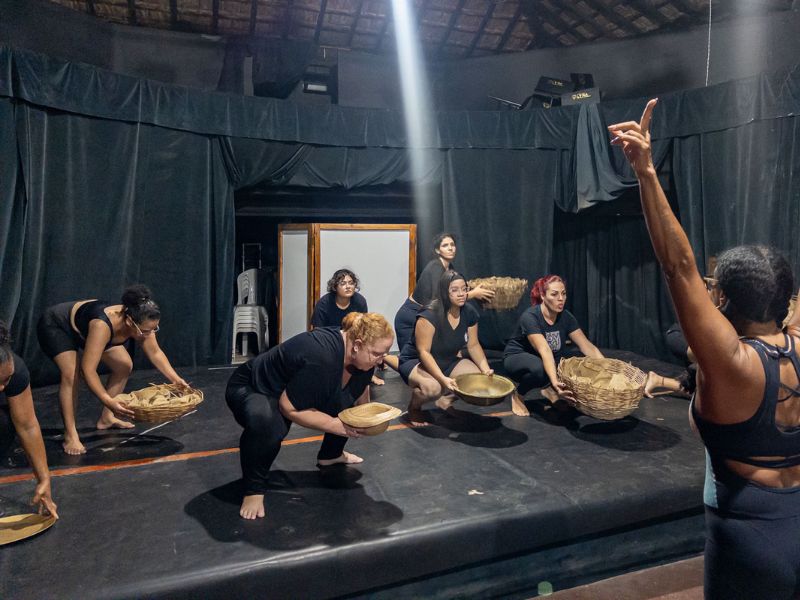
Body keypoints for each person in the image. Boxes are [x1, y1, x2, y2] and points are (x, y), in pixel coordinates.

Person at [611, 99, 800, 599]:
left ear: (722, 301)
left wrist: (646, 171)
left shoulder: (734, 365)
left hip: (748, 540)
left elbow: (679, 267)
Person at [225, 311, 393, 519]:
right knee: (269, 423)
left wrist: (365, 417)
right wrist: (334, 424)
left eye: (385, 353)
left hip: (293, 386)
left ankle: (330, 456)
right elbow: (289, 408)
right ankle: (253, 489)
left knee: (346, 407)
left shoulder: (362, 358)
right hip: (254, 387)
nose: (381, 360)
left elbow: (358, 393)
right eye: (377, 353)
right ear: (357, 345)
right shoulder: (322, 356)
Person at [37, 284, 189, 455]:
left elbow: (154, 352)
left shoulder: (143, 319)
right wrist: (107, 400)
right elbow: (88, 371)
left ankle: (107, 418)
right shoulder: (102, 325)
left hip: (85, 329)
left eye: (154, 329)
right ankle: (70, 434)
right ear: (130, 322)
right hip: (57, 326)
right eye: (146, 331)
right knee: (71, 374)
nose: (150, 334)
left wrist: (175, 379)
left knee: (124, 365)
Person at [398, 270, 499, 426]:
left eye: (464, 289)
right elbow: (423, 352)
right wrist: (442, 379)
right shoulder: (429, 314)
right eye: (454, 290)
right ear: (445, 292)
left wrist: (486, 369)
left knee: (477, 380)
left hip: (447, 359)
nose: (461, 294)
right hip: (416, 361)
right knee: (434, 388)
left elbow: (473, 344)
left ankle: (445, 400)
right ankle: (414, 408)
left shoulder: (469, 312)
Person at [390, 233, 495, 365]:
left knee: (431, 361)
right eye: (445, 245)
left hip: (428, 315)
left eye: (452, 245)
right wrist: (473, 294)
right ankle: (383, 357)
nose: (450, 248)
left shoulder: (449, 268)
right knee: (410, 361)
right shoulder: (435, 267)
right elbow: (440, 298)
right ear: (437, 250)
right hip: (411, 316)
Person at [503, 275, 603, 409]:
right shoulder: (530, 317)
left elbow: (586, 346)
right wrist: (555, 382)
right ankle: (518, 395)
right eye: (554, 294)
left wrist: (606, 368)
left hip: (546, 357)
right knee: (541, 369)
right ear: (543, 296)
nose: (561, 299)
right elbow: (544, 349)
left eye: (563, 294)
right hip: (517, 357)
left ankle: (547, 388)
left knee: (580, 364)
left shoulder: (566, 317)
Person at [0, 321, 58, 518]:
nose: (2, 388)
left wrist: (44, 479)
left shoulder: (15, 370)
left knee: (4, 422)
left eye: (5, 380)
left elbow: (27, 426)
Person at [310, 268, 383, 386]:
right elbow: (317, 331)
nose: (348, 286)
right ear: (335, 287)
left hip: (352, 338)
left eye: (351, 283)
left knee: (368, 341)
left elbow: (363, 326)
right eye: (343, 283)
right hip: (329, 341)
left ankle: (368, 375)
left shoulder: (359, 301)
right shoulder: (324, 303)